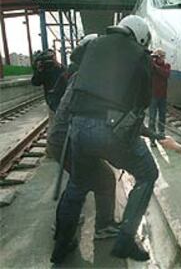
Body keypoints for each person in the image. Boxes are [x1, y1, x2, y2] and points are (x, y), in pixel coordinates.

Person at [51, 15, 157, 264]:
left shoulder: (93, 45)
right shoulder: (139, 54)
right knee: (147, 174)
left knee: (77, 184)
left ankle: (61, 245)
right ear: (139, 36)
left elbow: (76, 63)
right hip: (109, 127)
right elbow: (142, 102)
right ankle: (125, 239)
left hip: (77, 127)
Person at [48, 34, 120, 241]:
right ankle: (103, 226)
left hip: (63, 139)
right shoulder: (93, 77)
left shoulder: (82, 74)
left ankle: (63, 224)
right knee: (104, 179)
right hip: (68, 140)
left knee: (78, 182)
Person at [149, 48, 171, 145]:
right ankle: (152, 138)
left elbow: (165, 74)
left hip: (162, 96)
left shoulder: (166, 66)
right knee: (152, 118)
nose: (162, 58)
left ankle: (161, 137)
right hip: (153, 96)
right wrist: (150, 60)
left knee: (162, 117)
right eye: (160, 56)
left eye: (162, 56)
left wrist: (155, 65)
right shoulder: (151, 67)